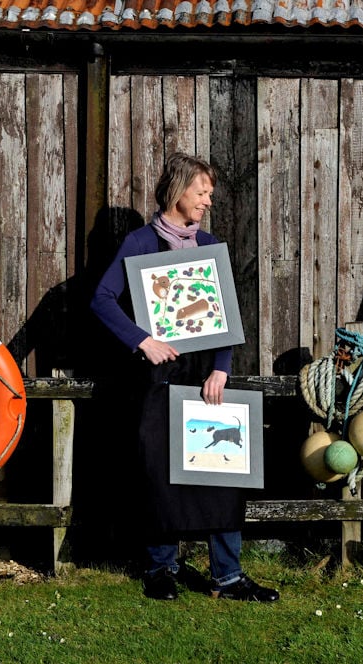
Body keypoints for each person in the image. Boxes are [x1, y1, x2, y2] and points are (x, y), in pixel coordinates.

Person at [90, 152, 279, 603]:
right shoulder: (139, 243)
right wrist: (142, 340)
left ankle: (228, 577)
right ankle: (160, 570)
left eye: (209, 194)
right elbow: (101, 299)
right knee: (161, 475)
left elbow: (223, 316)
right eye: (202, 192)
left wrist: (221, 367)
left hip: (204, 378)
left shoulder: (210, 246)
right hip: (156, 378)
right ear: (178, 192)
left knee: (221, 471)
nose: (207, 201)